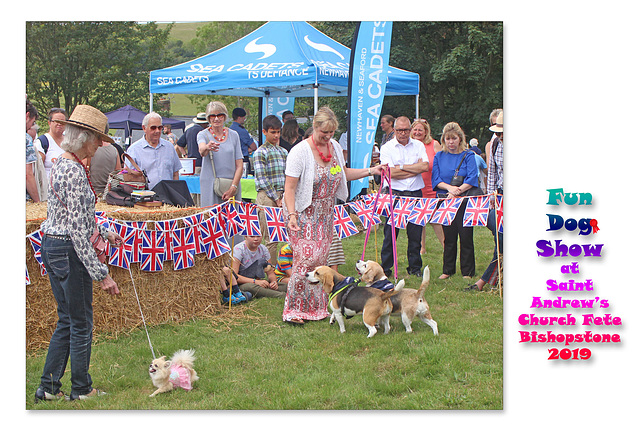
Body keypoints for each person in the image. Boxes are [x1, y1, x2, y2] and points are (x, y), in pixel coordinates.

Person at [35, 105, 122, 402]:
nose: (100, 145)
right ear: (84, 137)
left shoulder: (64, 163)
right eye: (97, 139)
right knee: (81, 322)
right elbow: (75, 230)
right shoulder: (72, 170)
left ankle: (48, 388)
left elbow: (75, 214)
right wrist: (102, 275)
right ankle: (82, 389)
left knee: (67, 320)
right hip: (67, 250)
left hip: (55, 245)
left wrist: (104, 231)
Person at [282, 106, 383, 325]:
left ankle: (317, 308)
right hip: (303, 214)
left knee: (321, 262)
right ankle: (295, 310)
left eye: (331, 133)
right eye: (323, 133)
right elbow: (289, 188)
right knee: (305, 261)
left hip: (326, 214)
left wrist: (370, 171)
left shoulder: (334, 147)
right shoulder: (299, 152)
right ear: (314, 127)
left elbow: (342, 173)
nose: (327, 137)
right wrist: (291, 214)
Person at [379, 116, 430, 278]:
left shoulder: (418, 145)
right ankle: (386, 268)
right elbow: (390, 172)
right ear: (394, 130)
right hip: (395, 194)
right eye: (400, 130)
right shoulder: (387, 148)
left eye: (406, 130)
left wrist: (400, 168)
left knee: (415, 233)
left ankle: (415, 267)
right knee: (390, 233)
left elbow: (425, 166)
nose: (403, 133)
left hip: (415, 193)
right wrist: (412, 169)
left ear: (410, 129)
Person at [431, 122, 479, 280]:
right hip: (446, 200)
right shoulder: (439, 156)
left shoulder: (469, 155)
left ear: (460, 139)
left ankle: (468, 271)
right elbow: (436, 179)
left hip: (464, 199)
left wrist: (458, 191)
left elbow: (472, 177)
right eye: (448, 139)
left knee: (466, 235)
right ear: (444, 139)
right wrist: (450, 189)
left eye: (454, 138)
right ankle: (448, 269)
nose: (451, 142)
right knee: (449, 235)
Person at [466, 111, 504, 291]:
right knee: (501, 237)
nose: (499, 136)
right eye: (497, 132)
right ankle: (492, 279)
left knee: (503, 241)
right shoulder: (495, 144)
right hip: (500, 197)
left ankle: (484, 281)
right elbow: (493, 173)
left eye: (502, 132)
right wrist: (491, 197)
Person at [253, 115, 287, 263]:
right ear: (264, 132)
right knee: (270, 237)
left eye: (278, 132)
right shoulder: (260, 152)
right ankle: (271, 271)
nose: (276, 135)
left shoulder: (284, 152)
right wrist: (276, 198)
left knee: (285, 235)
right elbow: (262, 178)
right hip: (266, 196)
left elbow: (289, 176)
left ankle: (284, 268)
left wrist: (285, 196)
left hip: (283, 194)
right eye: (273, 132)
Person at [198, 101, 244, 208]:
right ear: (208, 118)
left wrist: (233, 187)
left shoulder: (234, 135)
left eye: (220, 115)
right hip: (210, 185)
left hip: (231, 185)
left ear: (225, 116)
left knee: (232, 219)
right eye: (213, 115)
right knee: (212, 219)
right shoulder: (203, 134)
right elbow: (202, 150)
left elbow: (239, 165)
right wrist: (207, 147)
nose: (216, 118)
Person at [411, 118, 444, 252]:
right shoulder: (409, 145)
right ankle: (422, 247)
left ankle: (445, 246)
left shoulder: (434, 144)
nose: (417, 132)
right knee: (419, 219)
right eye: (415, 129)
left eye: (420, 130)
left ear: (426, 132)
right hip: (415, 187)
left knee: (436, 218)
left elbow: (442, 163)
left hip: (432, 187)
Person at [125, 112, 182, 190]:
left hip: (168, 198)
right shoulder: (134, 150)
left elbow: (175, 173)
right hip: (145, 198)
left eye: (160, 127)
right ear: (144, 128)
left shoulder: (169, 147)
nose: (157, 131)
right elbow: (129, 178)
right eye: (153, 128)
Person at [34, 107, 67, 179]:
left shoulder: (69, 142)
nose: (59, 124)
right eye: (56, 121)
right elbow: (37, 170)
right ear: (49, 123)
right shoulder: (42, 142)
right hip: (48, 187)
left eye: (62, 122)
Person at [26, 99, 41, 203]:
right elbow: (27, 174)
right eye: (33, 122)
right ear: (27, 116)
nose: (31, 126)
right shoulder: (26, 139)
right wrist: (37, 202)